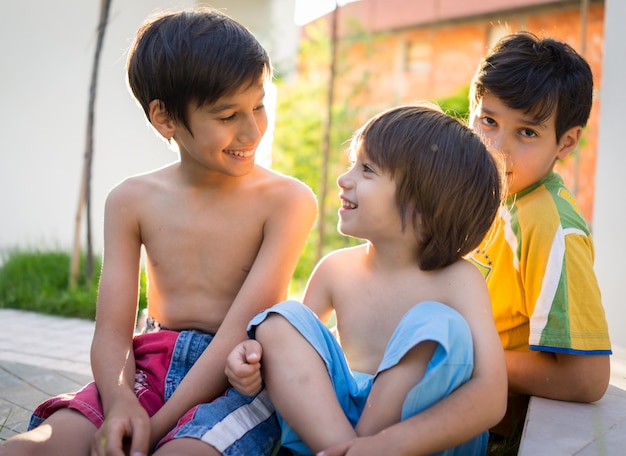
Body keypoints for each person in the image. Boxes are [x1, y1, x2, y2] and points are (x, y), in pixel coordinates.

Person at [0, 7, 317, 456]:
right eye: (228, 115)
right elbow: (112, 332)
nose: (252, 130)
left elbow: (235, 334)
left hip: (237, 378)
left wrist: (157, 426)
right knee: (24, 450)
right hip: (148, 364)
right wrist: (120, 404)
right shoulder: (131, 200)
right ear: (165, 118)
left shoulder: (288, 201)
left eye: (259, 106)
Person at [226, 103, 508, 455]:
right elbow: (300, 348)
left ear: (426, 206)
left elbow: (491, 394)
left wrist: (388, 445)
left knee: (437, 324)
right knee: (280, 321)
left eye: (367, 169)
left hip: (417, 438)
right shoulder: (336, 270)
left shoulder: (459, 280)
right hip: (336, 426)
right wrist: (255, 355)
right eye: (352, 165)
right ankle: (345, 449)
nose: (344, 180)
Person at [467, 31, 612, 438]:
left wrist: (461, 357)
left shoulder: (550, 226)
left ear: (565, 142)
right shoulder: (487, 193)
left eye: (527, 132)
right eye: (488, 121)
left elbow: (586, 378)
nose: (497, 147)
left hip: (482, 427)